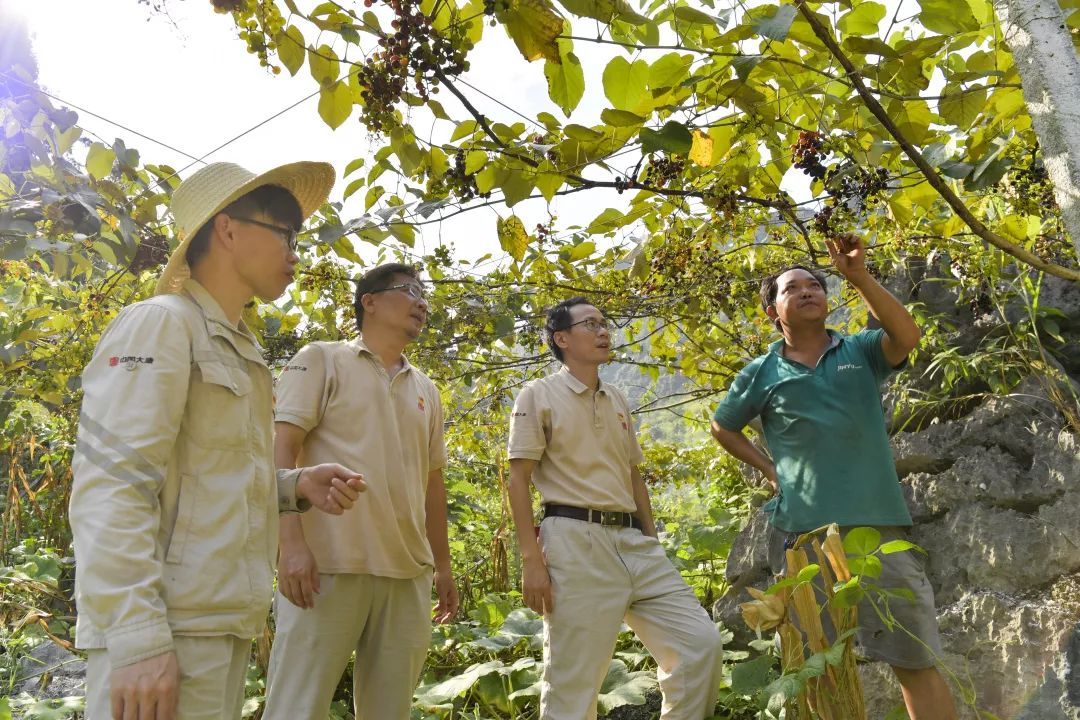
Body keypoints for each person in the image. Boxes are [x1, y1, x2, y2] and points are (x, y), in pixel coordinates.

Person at [70, 161, 369, 720]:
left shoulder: (241, 349)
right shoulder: (160, 324)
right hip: (167, 634)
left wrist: (293, 485)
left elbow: (206, 477)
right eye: (285, 234)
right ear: (228, 230)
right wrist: (136, 636)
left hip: (218, 627)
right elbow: (111, 486)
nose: (296, 252)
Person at [710, 234, 956, 720]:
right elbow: (723, 425)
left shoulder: (860, 350)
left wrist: (857, 276)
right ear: (772, 311)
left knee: (915, 658)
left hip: (879, 533)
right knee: (820, 667)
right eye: (792, 288)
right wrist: (769, 468)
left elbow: (907, 337)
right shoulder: (759, 373)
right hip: (806, 539)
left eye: (814, 285)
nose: (807, 292)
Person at [507, 297, 724, 720]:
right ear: (562, 338)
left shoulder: (617, 398)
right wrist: (531, 560)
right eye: (591, 324)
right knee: (574, 682)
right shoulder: (538, 395)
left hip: (634, 543)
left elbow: (632, 475)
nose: (603, 331)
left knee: (700, 646)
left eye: (605, 324)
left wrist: (651, 537)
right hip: (574, 539)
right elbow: (517, 479)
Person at [262, 262, 458, 720]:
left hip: (407, 573)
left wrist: (442, 566)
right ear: (369, 302)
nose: (421, 302)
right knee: (296, 708)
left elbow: (432, 484)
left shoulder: (425, 387)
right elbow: (280, 450)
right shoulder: (320, 358)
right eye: (408, 290)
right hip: (325, 569)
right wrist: (289, 545)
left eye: (424, 293)